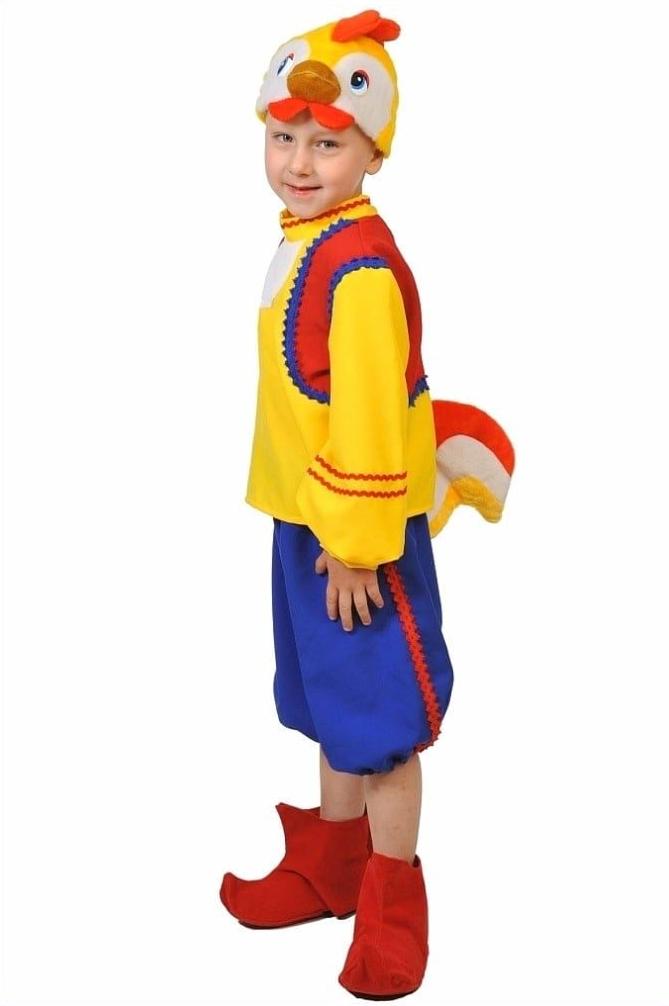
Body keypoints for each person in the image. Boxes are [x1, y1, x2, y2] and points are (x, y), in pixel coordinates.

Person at [219, 10, 503, 1000]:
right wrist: (314, 528)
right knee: (328, 705)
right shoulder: (309, 238)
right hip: (307, 520)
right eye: (283, 136)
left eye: (328, 144)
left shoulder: (360, 267)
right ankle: (332, 867)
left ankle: (391, 905)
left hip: (357, 536)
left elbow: (375, 418)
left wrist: (353, 546)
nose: (299, 162)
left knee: (380, 724)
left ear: (373, 151)